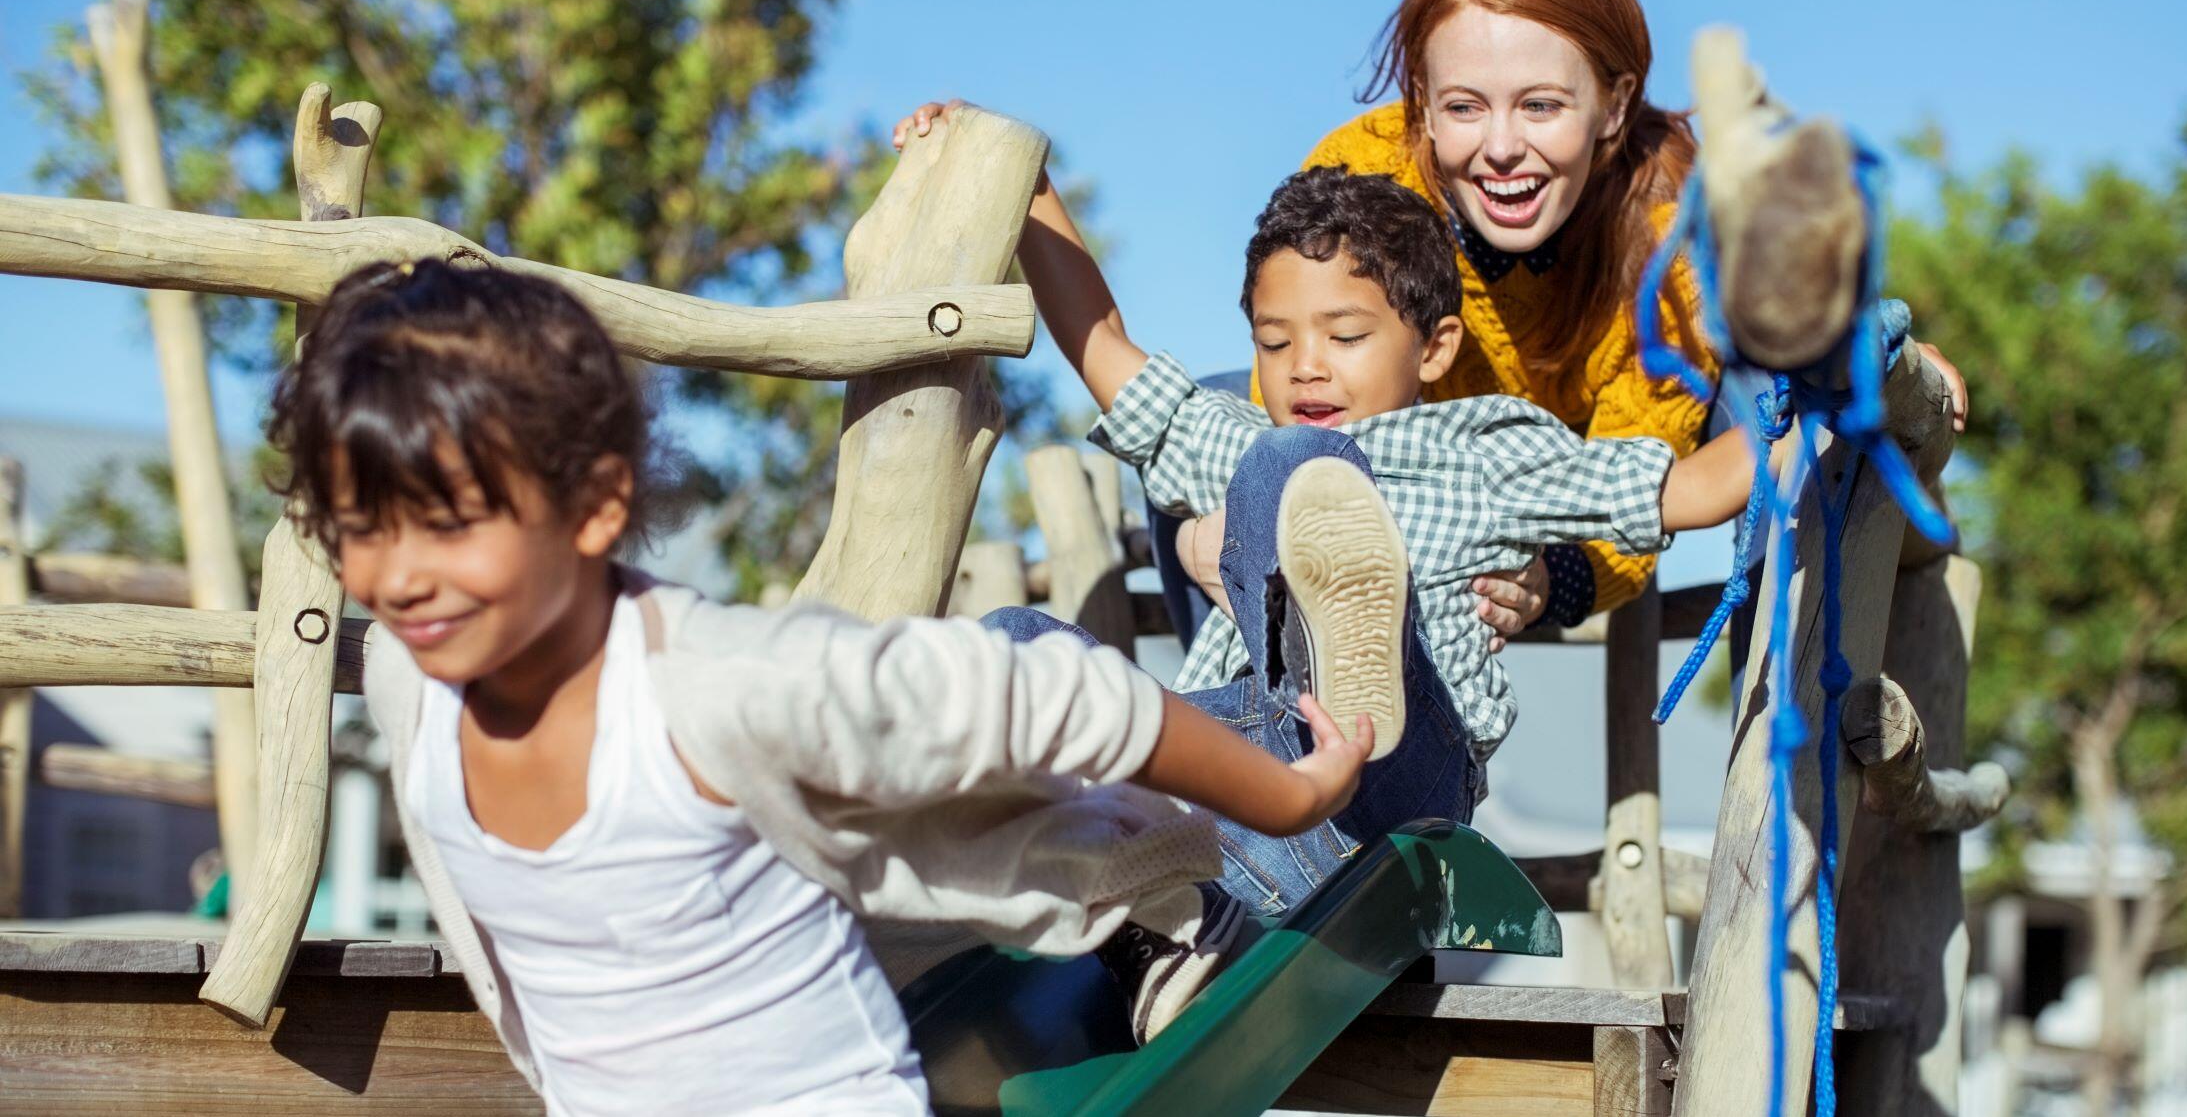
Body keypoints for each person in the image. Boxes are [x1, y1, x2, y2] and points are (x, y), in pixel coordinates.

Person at [281, 258, 1376, 1113]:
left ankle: (1202, 887)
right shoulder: (412, 682)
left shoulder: (722, 688)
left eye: (450, 524)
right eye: (359, 527)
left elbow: (1055, 697)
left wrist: (1290, 798)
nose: (401, 575)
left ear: (595, 504)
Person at [941, 149, 1784, 916]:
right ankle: (1108, 874)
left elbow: (1689, 488)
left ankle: (1347, 691)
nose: (1307, 363)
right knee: (1013, 642)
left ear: (1434, 347)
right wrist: (1030, 184)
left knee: (1298, 463)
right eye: (1275, 342)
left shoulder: (1485, 450)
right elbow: (1106, 352)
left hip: (1393, 794)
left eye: (1345, 337)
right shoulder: (1237, 443)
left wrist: (1835, 404)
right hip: (1231, 798)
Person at [1279, 0, 1970, 645]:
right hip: (1414, 455)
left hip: (1598, 457)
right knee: (1221, 434)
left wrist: (1554, 577)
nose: (1503, 146)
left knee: (1780, 401)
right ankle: (1265, 734)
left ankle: (1784, 732)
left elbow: (1643, 472)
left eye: (1541, 104)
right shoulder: (1362, 180)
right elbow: (1296, 376)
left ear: (1613, 104)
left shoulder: (1667, 234)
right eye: (1463, 107)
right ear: (1422, 97)